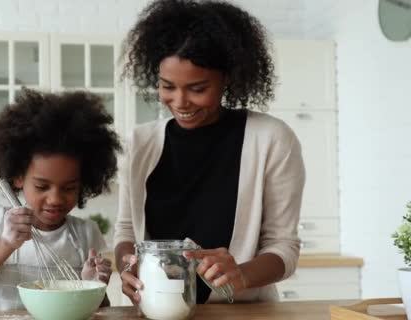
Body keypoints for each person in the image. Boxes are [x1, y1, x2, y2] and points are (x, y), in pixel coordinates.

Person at [114, 0, 305, 304]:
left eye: (197, 88)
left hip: (242, 311)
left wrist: (242, 274)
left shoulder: (271, 139)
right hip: (154, 308)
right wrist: (128, 264)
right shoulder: (139, 143)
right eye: (167, 86)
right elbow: (126, 232)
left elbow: (283, 247)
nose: (180, 101)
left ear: (227, 78)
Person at [0, 89, 121, 310]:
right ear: (18, 177)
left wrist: (93, 286)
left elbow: (100, 309)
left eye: (69, 187)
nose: (55, 199)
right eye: (42, 186)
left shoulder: (86, 234)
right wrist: (4, 243)